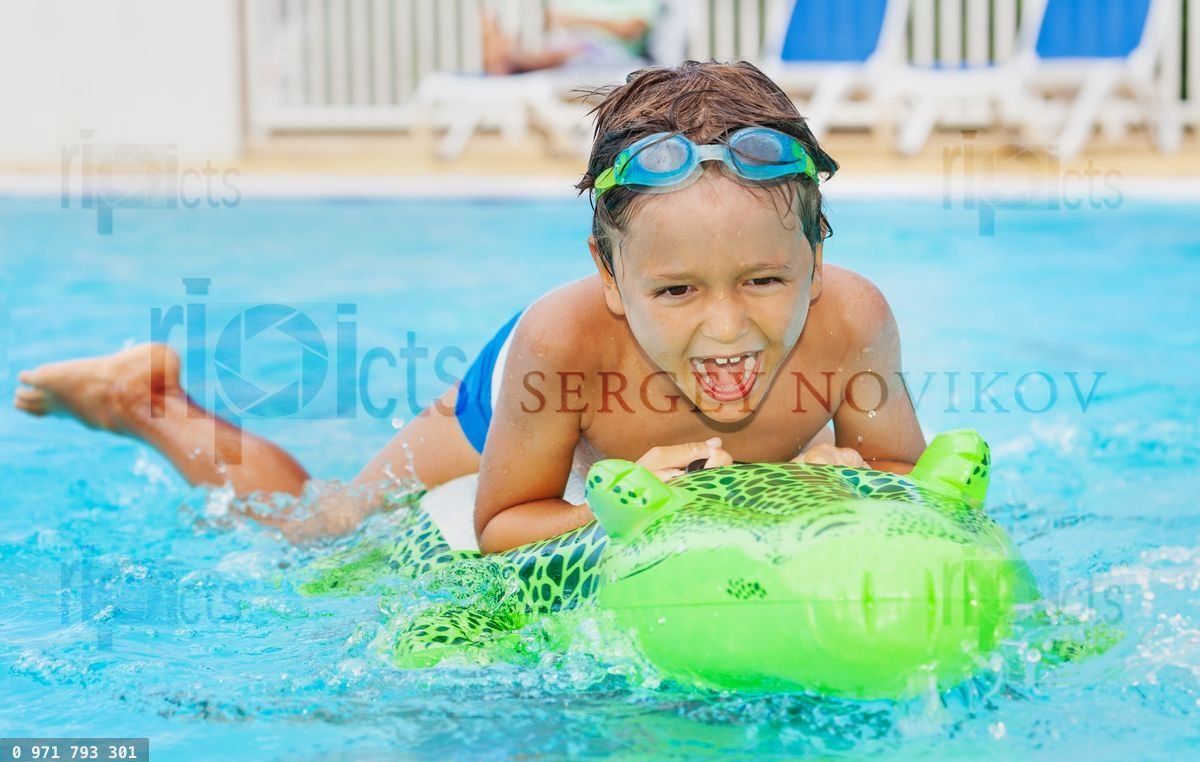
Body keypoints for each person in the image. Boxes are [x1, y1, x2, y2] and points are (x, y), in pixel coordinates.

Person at [13, 61, 926, 553]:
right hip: (521, 394)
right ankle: (145, 401)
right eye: (677, 288)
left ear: (815, 259)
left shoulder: (852, 323)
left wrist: (823, 483)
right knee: (326, 529)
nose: (726, 325)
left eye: (763, 281)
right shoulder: (566, 337)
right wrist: (645, 505)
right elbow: (501, 526)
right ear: (612, 277)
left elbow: (906, 481)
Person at [482, 0, 660, 76]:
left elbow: (632, 30)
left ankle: (512, 61)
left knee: (576, 49)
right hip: (573, 49)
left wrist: (579, 20)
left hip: (617, 57)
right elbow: (555, 20)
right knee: (564, 47)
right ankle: (513, 59)